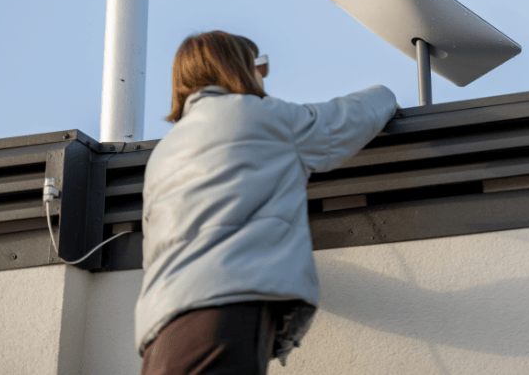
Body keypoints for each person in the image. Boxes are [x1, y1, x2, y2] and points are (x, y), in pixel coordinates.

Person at [135, 31, 398, 374]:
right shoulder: (258, 116)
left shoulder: (165, 151)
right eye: (259, 65)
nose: (262, 75)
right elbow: (339, 123)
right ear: (237, 68)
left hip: (162, 333)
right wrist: (386, 94)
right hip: (223, 316)